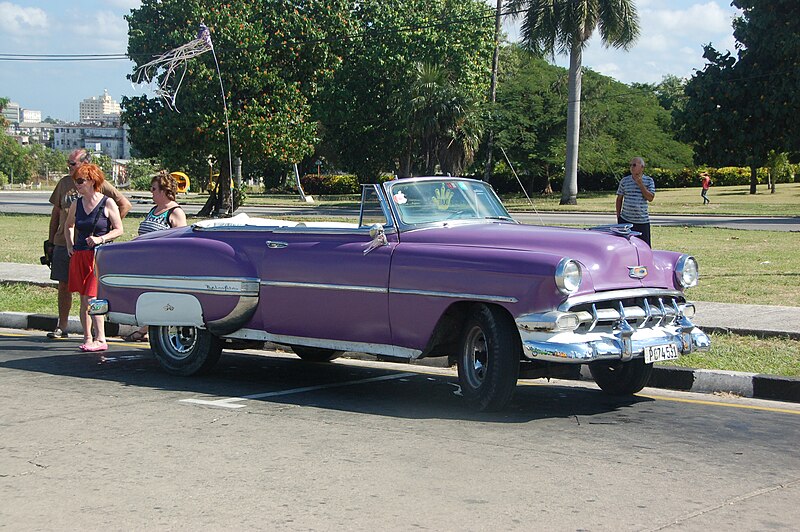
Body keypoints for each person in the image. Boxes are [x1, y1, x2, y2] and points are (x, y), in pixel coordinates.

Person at [46, 149, 131, 339]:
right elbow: (56, 214)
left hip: (92, 248)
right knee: (64, 285)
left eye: (73, 164)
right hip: (67, 243)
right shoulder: (64, 184)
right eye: (68, 164)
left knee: (91, 293)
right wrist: (51, 240)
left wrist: (104, 232)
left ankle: (97, 335)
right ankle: (63, 325)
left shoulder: (98, 184)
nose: (69, 168)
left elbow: (123, 205)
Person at [64, 164, 124, 352]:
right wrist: (69, 245)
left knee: (92, 298)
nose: (77, 185)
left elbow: (119, 229)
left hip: (98, 257)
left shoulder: (107, 203)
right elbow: (69, 225)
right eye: (76, 181)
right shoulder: (77, 203)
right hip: (80, 255)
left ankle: (100, 338)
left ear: (92, 181)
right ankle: (87, 337)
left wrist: (101, 238)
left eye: (80, 181)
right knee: (83, 298)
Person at [124, 171, 188, 342]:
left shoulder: (175, 212)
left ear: (164, 191)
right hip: (146, 263)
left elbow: (181, 242)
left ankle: (145, 329)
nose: (151, 192)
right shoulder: (154, 210)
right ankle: (146, 327)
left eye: (153, 189)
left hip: (164, 265)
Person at [616, 157, 655, 246]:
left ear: (642, 167)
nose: (631, 167)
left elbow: (650, 198)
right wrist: (619, 216)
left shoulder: (649, 181)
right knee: (625, 247)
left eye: (634, 165)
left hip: (642, 221)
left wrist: (640, 184)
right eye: (630, 165)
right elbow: (619, 198)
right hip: (626, 220)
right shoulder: (625, 181)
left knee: (644, 247)